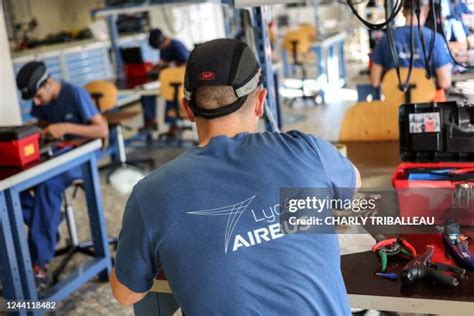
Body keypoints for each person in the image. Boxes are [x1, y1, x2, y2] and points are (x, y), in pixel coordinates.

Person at [110, 39, 361, 314]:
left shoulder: (151, 194)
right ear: (260, 102)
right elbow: (353, 184)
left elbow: (125, 293)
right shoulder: (307, 150)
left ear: (187, 110)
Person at [16, 61, 108, 285]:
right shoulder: (42, 99)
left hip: (82, 156)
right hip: (57, 154)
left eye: (39, 96)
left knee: (48, 185)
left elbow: (102, 130)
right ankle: (50, 217)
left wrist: (66, 128)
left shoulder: (74, 93)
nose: (37, 103)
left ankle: (39, 262)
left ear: (48, 83)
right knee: (16, 190)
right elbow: (41, 122)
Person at [370, 0, 453, 92]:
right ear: (426, 11)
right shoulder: (435, 39)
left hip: (396, 104)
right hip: (428, 103)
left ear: (403, 12)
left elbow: (375, 81)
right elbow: (445, 82)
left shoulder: (386, 39)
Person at [140, 28, 190, 132]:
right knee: (146, 93)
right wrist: (155, 68)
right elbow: (163, 63)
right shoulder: (163, 49)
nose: (161, 49)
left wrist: (169, 64)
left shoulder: (177, 45)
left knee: (171, 94)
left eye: (161, 46)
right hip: (165, 80)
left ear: (164, 40)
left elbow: (187, 64)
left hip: (180, 82)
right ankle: (151, 121)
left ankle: (173, 126)